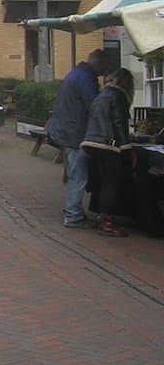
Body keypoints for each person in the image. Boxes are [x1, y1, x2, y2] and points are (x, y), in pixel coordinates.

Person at [45, 49, 109, 228]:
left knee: (75, 173)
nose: (106, 71)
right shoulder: (86, 79)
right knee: (78, 175)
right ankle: (73, 215)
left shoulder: (77, 73)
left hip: (64, 131)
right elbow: (94, 105)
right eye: (105, 66)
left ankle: (73, 210)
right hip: (73, 133)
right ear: (98, 64)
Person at [80, 68, 135, 237]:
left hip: (92, 142)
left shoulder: (101, 95)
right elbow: (119, 124)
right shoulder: (118, 96)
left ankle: (102, 216)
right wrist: (127, 148)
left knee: (103, 183)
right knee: (112, 183)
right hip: (108, 145)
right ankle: (108, 222)